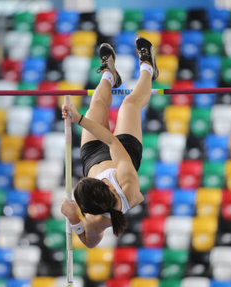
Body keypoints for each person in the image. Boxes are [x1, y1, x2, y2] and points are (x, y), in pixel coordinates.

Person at [61, 37, 159, 248]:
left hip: (92, 155)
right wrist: (78, 120)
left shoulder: (95, 214)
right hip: (123, 150)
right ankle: (148, 66)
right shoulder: (126, 183)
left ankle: (109, 74)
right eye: (99, 181)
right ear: (105, 187)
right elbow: (112, 142)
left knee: (97, 103)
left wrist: (75, 220)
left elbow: (86, 239)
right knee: (129, 104)